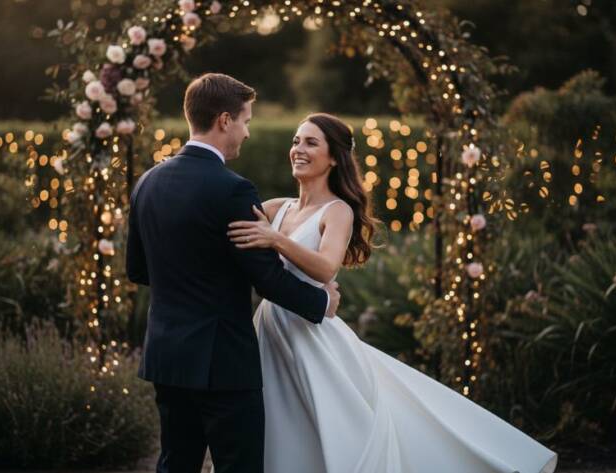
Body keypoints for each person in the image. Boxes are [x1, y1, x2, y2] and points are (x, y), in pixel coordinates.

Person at [225, 112, 559, 473]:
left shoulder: (337, 211)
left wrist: (275, 239)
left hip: (310, 335)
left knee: (332, 426)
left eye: (311, 142)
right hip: (270, 328)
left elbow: (325, 268)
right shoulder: (276, 208)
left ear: (334, 157)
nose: (298, 149)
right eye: (296, 141)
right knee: (278, 425)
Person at [126, 73, 341, 473]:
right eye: (245, 121)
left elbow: (137, 269)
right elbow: (268, 279)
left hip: (167, 355)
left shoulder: (147, 182)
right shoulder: (232, 189)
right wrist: (322, 300)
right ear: (225, 120)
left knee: (175, 464)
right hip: (222, 361)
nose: (246, 132)